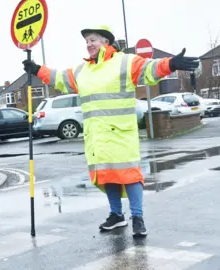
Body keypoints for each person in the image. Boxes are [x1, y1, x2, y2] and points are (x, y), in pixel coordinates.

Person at [23, 25, 198, 237]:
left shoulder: (124, 62)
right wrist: (37, 69)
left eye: (93, 40)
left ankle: (137, 217)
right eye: (87, 41)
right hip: (96, 136)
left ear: (106, 42)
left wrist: (170, 63)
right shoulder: (82, 71)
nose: (89, 44)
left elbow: (149, 69)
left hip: (121, 134)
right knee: (107, 175)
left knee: (130, 175)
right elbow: (60, 78)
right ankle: (116, 215)